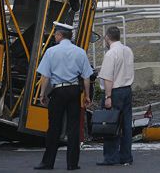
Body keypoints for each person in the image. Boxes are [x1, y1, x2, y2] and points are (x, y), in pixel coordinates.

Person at [34, 21, 93, 171]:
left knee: (54, 127)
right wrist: (86, 95)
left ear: (60, 35)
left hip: (58, 92)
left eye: (55, 34)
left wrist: (42, 94)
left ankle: (48, 163)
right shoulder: (80, 52)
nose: (54, 36)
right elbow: (86, 76)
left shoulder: (51, 52)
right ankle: (72, 164)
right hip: (74, 91)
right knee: (73, 128)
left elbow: (45, 76)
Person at [96, 26, 134, 166]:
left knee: (110, 125)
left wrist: (108, 97)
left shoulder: (111, 54)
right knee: (126, 125)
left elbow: (107, 78)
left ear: (107, 38)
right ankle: (126, 156)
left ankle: (110, 157)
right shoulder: (128, 50)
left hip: (115, 92)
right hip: (127, 90)